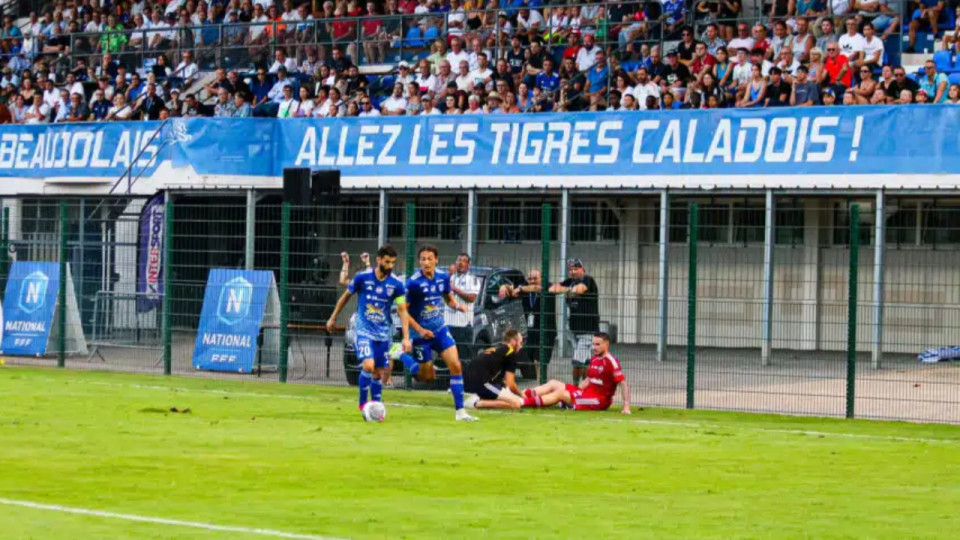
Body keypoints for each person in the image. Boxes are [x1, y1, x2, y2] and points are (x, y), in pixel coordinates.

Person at [327, 245, 412, 412]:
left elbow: (402, 310)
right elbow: (345, 297)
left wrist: (406, 337)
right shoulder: (362, 278)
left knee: (379, 373)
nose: (390, 266)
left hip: (383, 334)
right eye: (387, 262)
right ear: (378, 260)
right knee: (368, 365)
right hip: (363, 330)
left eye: (392, 263)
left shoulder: (396, 284)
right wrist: (333, 317)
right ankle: (362, 404)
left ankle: (376, 405)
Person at [405, 244, 477, 422]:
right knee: (427, 377)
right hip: (421, 335)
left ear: (436, 260)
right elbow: (403, 313)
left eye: (430, 259)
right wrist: (420, 330)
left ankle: (460, 412)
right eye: (423, 259)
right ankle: (401, 354)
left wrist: (456, 306)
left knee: (456, 366)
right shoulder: (413, 283)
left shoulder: (443, 277)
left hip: (440, 330)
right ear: (419, 261)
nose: (426, 262)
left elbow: (447, 297)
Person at [520, 333, 631, 414]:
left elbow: (623, 383)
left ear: (606, 345)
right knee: (553, 383)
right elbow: (588, 380)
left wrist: (626, 406)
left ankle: (523, 402)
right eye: (593, 344)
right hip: (587, 393)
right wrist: (576, 390)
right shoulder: (594, 359)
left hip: (599, 400)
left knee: (561, 393)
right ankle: (522, 394)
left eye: (597, 344)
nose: (594, 347)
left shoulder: (611, 361)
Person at [499, 268, 557, 380]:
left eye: (535, 278)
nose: (532, 281)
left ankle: (541, 382)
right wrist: (504, 287)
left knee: (540, 360)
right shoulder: (524, 288)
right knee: (531, 359)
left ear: (541, 278)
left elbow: (536, 288)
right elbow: (511, 289)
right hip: (531, 330)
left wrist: (519, 288)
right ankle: (537, 383)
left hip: (546, 331)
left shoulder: (547, 286)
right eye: (530, 278)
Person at [549, 258, 600, 384]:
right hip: (573, 328)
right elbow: (552, 289)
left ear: (583, 269)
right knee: (584, 361)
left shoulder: (588, 279)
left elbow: (580, 289)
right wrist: (567, 289)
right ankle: (587, 388)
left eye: (576, 269)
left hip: (587, 329)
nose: (573, 272)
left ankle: (576, 388)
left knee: (577, 362)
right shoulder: (569, 282)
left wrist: (566, 290)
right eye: (570, 269)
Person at [463, 329, 525, 410]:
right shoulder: (510, 353)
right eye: (520, 343)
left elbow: (500, 380)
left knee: (506, 395)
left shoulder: (497, 348)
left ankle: (477, 398)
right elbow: (511, 384)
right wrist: (521, 394)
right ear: (513, 341)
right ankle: (476, 403)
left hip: (465, 382)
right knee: (516, 403)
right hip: (480, 383)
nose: (521, 346)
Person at [445, 253, 480, 328]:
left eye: (464, 261)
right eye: (459, 260)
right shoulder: (449, 278)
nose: (460, 263)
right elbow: (443, 294)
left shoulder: (473, 279)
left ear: (468, 265)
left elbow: (471, 298)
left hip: (463, 323)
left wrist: (454, 288)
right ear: (455, 263)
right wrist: (449, 274)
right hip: (447, 322)